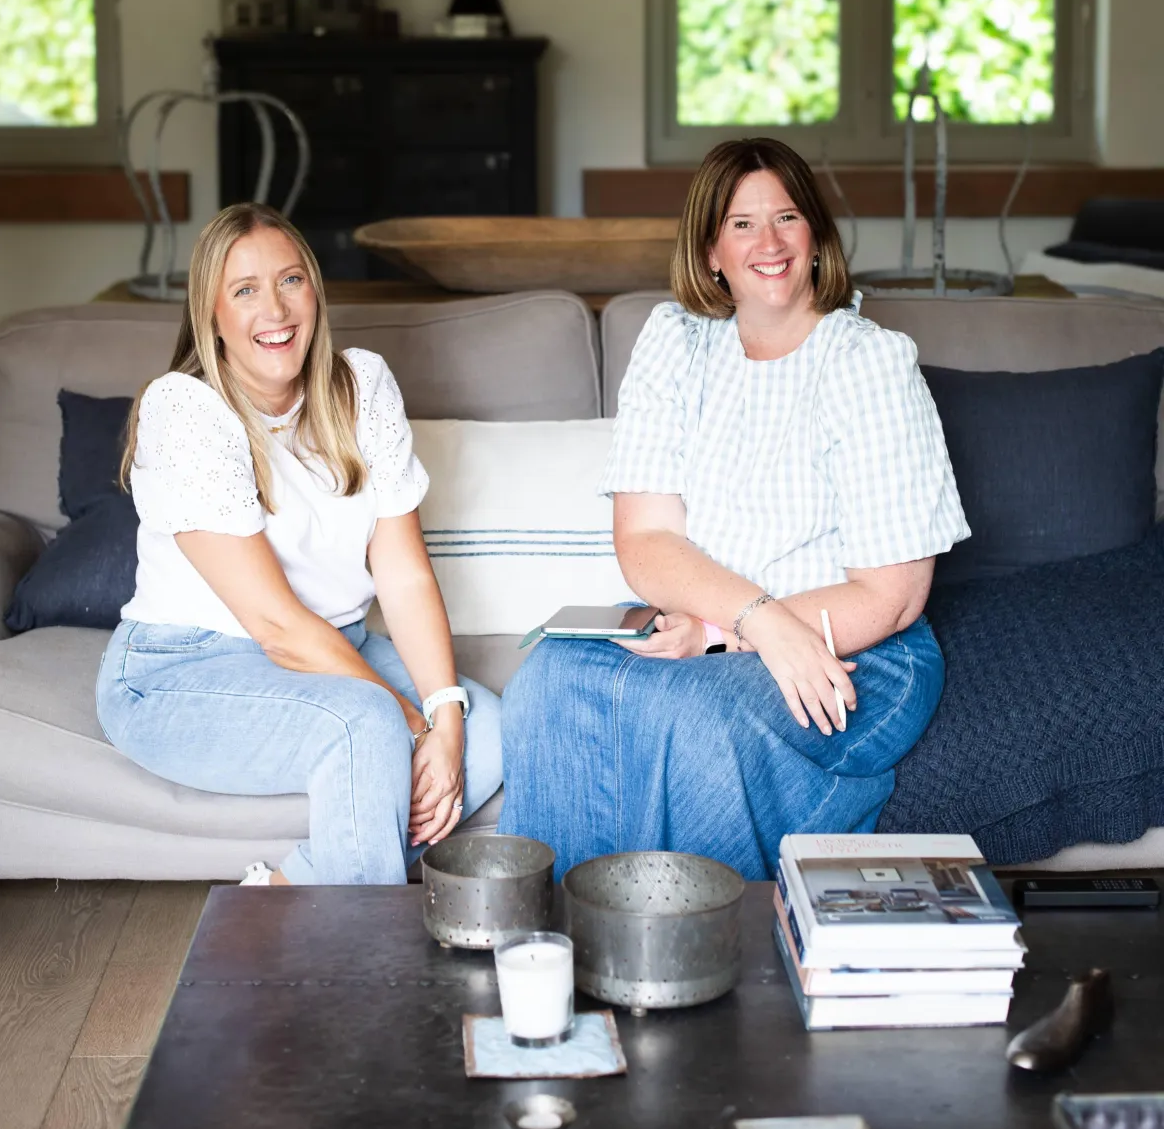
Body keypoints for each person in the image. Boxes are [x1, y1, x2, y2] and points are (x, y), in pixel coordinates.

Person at [496, 138, 969, 880]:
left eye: (786, 218)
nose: (769, 242)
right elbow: (647, 540)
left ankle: (691, 950)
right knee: (550, 681)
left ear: (815, 236)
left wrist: (731, 632)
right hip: (727, 623)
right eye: (742, 224)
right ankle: (559, 940)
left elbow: (893, 595)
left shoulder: (869, 362)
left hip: (862, 645)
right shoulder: (675, 344)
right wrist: (746, 624)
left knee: (692, 719)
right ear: (711, 250)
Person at [96, 202, 502, 885]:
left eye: (291, 280)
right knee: (366, 725)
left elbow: (403, 577)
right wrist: (413, 721)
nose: (275, 310)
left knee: (488, 725)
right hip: (179, 671)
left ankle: (298, 891)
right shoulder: (186, 409)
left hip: (338, 644)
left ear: (316, 289)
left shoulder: (362, 386)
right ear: (212, 315)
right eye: (245, 290)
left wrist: (447, 718)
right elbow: (278, 628)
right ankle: (367, 972)